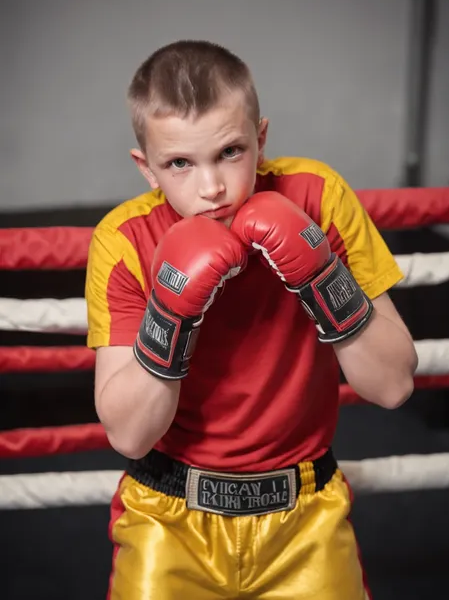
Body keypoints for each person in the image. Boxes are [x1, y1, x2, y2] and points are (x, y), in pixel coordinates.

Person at [85, 40, 418, 600]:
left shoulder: (318, 197)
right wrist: (171, 310)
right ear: (147, 168)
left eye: (230, 152)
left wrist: (320, 274)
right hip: (168, 518)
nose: (211, 186)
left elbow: (393, 385)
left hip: (305, 515)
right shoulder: (124, 240)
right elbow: (129, 433)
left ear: (261, 140)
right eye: (180, 164)